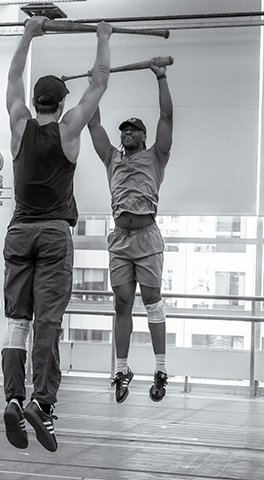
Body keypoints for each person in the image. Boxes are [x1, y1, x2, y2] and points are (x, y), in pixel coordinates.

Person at [2, 16, 112, 452]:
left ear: (34, 101)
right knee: (47, 321)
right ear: (62, 103)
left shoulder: (17, 125)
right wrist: (102, 38)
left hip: (18, 234)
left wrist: (28, 34)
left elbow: (12, 75)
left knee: (17, 322)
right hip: (51, 234)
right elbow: (100, 83)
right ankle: (41, 403)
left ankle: (12, 396)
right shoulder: (69, 131)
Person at [87, 57, 173, 404]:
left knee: (152, 302)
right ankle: (121, 369)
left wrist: (161, 76)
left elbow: (167, 116)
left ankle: (161, 368)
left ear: (144, 136)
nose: (127, 133)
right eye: (124, 129)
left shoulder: (156, 156)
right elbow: (92, 124)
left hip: (148, 237)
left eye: (134, 129)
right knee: (122, 303)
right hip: (120, 240)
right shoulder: (111, 157)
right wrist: (94, 83)